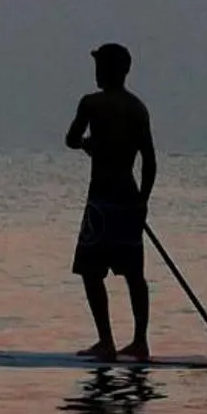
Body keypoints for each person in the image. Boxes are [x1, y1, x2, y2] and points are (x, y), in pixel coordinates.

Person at [66, 41, 156, 360]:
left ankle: (106, 341)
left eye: (99, 65)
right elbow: (149, 161)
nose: (96, 71)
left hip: (103, 201)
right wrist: (142, 202)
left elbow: (70, 139)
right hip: (129, 199)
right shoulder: (138, 108)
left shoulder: (91, 104)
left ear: (108, 69)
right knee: (134, 274)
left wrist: (89, 144)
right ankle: (140, 341)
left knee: (92, 272)